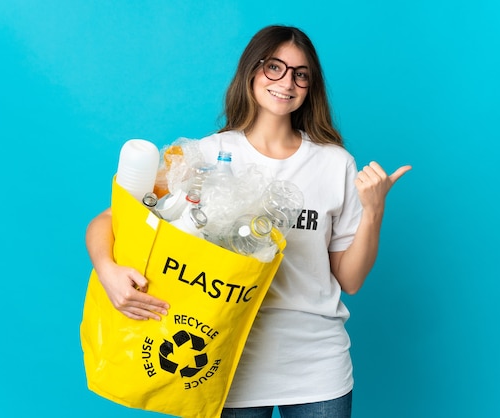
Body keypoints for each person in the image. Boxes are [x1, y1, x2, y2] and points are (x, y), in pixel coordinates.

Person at [85, 25, 411, 418]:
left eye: (300, 74)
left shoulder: (333, 162)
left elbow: (351, 281)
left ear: (310, 86)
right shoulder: (206, 155)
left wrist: (373, 211)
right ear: (251, 72)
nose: (286, 82)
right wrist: (107, 270)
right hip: (223, 360)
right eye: (274, 67)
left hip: (317, 365)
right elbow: (109, 218)